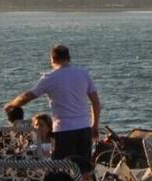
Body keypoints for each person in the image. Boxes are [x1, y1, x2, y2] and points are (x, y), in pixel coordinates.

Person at [6, 45, 102, 173]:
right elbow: (96, 103)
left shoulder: (50, 78)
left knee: (62, 170)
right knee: (84, 170)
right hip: (84, 128)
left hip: (64, 130)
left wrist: (12, 105)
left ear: (52, 59)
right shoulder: (84, 74)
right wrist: (94, 125)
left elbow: (28, 96)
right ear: (69, 58)